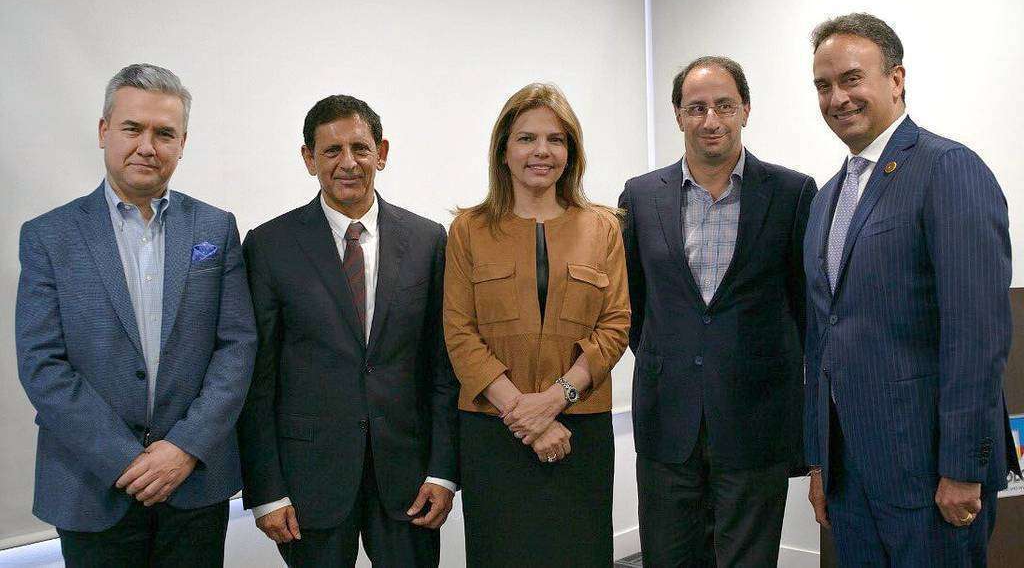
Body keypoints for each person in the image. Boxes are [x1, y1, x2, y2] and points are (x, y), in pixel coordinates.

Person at [14, 63, 257, 566]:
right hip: (90, 484)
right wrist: (125, 460)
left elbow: (237, 346)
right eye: (132, 128)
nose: (148, 145)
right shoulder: (49, 236)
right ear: (105, 131)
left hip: (193, 482)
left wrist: (184, 447)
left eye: (164, 133)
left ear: (182, 142)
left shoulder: (216, 227)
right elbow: (43, 365)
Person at [803, 12, 1020, 566]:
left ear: (896, 79)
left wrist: (963, 467)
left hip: (929, 475)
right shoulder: (827, 197)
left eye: (852, 78)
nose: (837, 98)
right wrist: (820, 462)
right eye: (823, 85)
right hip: (851, 475)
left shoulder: (949, 169)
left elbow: (978, 334)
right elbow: (822, 338)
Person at [237, 94, 460, 567]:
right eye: (332, 151)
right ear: (308, 159)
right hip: (308, 482)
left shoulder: (428, 241)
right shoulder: (270, 245)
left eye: (360, 148)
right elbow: (257, 379)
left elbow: (442, 367)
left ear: (382, 152)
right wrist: (266, 490)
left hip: (408, 477)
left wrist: (443, 472)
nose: (348, 163)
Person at [619, 56, 816, 566]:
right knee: (668, 557)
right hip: (668, 420)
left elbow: (803, 307)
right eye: (697, 107)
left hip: (756, 421)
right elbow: (634, 307)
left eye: (724, 106)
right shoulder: (640, 197)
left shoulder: (794, 194)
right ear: (678, 115)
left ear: (746, 110)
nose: (711, 120)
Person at [443, 82, 629, 567]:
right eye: (526, 138)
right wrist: (524, 416)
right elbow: (460, 334)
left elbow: (615, 326)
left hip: (579, 429)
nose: (541, 151)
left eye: (556, 139)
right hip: (493, 431)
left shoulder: (604, 226)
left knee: (580, 554)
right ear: (503, 150)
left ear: (572, 151)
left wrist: (554, 400)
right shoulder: (468, 229)